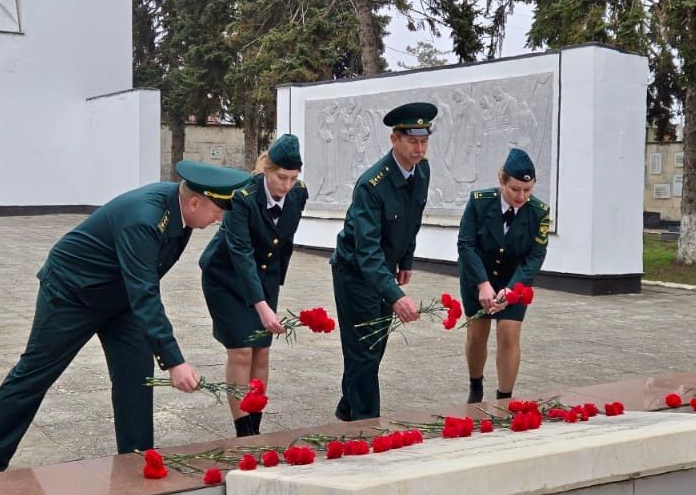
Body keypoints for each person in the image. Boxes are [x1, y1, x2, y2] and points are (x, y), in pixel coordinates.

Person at [0, 160, 251, 474]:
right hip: (73, 293)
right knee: (33, 375)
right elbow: (146, 293)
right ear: (195, 202)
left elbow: (143, 284)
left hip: (121, 298)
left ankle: (137, 460)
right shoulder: (146, 217)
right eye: (217, 209)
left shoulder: (181, 215)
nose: (220, 217)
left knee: (135, 379)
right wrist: (174, 361)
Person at [330, 102, 436, 421]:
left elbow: (412, 217)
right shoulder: (371, 185)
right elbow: (367, 251)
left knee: (374, 349)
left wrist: (406, 259)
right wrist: (395, 295)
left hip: (384, 271)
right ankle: (365, 428)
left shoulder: (423, 170)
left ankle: (348, 406)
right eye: (412, 141)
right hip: (355, 274)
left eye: (424, 140)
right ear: (394, 140)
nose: (419, 148)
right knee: (364, 351)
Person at [199, 134, 309, 436]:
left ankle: (255, 425)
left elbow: (282, 240)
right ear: (266, 171)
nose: (286, 185)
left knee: (261, 351)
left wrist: (273, 288)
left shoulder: (299, 194)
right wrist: (261, 306)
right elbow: (241, 253)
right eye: (280, 177)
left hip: (265, 278)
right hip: (226, 278)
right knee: (242, 352)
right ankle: (242, 431)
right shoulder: (242, 198)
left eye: (292, 178)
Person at [457, 147, 550, 403]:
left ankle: (504, 398)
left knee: (509, 334)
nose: (522, 196)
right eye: (515, 189)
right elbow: (465, 244)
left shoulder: (539, 212)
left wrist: (513, 288)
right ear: (502, 181)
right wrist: (483, 285)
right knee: (477, 335)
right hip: (477, 277)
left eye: (527, 190)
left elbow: (535, 255)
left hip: (513, 279)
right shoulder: (479, 202)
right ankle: (476, 387)